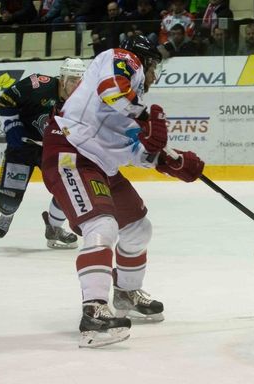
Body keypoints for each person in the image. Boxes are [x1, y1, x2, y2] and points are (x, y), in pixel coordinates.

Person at [41, 35, 205, 348]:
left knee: (137, 228)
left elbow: (134, 150)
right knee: (102, 225)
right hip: (71, 151)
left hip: (100, 164)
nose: (155, 74)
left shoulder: (130, 102)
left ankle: (127, 291)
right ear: (147, 60)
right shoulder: (124, 59)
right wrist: (146, 115)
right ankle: (95, 312)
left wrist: (173, 161)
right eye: (156, 66)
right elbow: (112, 89)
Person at [0, 58, 86, 250]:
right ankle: (7, 214)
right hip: (23, 147)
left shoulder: (83, 100)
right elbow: (6, 100)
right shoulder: (39, 85)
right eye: (72, 80)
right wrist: (13, 126)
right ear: (62, 78)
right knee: (8, 202)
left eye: (80, 80)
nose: (76, 85)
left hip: (55, 150)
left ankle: (53, 228)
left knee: (69, 189)